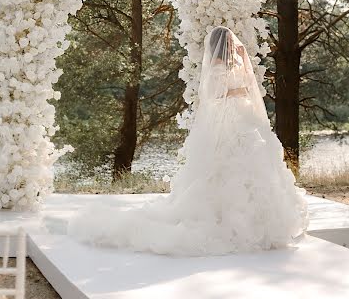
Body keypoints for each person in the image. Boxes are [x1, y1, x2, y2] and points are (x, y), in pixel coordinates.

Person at [68, 26, 308, 255]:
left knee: (255, 168)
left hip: (243, 120)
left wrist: (243, 58)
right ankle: (229, 222)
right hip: (228, 121)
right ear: (222, 45)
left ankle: (261, 224)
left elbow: (248, 83)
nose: (233, 46)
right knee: (228, 170)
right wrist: (237, 91)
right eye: (230, 43)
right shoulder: (215, 65)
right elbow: (214, 95)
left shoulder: (235, 63)